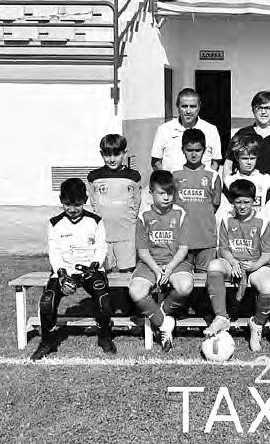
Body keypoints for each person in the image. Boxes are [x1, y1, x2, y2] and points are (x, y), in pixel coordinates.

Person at [32, 178, 113, 360]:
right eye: (68, 204)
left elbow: (101, 247)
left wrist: (94, 266)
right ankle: (47, 341)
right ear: (61, 201)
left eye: (77, 204)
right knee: (47, 301)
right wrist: (61, 274)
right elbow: (54, 251)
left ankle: (105, 336)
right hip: (65, 271)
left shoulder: (95, 221)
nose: (73, 209)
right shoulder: (55, 223)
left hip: (90, 270)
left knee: (103, 298)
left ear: (85, 200)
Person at [205, 180, 270, 351]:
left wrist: (253, 266)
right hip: (233, 263)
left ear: (254, 201)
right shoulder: (226, 218)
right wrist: (234, 262)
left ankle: (257, 324)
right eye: (238, 202)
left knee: (268, 288)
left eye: (246, 202)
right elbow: (223, 248)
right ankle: (221, 317)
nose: (242, 206)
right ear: (232, 202)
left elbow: (267, 254)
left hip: (257, 265)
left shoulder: (263, 220)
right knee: (214, 266)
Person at [229, 91, 270, 270]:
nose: (264, 112)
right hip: (251, 199)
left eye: (268, 108)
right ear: (253, 110)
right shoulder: (243, 134)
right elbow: (228, 164)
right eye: (260, 108)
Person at [128, 170, 193, 352]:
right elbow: (142, 251)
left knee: (185, 286)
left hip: (176, 262)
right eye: (161, 193)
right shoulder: (143, 216)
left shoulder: (180, 213)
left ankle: (161, 311)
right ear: (151, 193)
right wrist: (157, 270)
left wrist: (169, 268)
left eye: (170, 193)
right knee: (135, 291)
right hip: (150, 263)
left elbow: (183, 248)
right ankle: (164, 323)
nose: (166, 197)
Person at [172, 128, 222, 294]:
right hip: (182, 240)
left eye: (198, 150)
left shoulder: (213, 176)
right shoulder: (175, 175)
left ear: (204, 150)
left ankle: (203, 307)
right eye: (189, 150)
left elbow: (215, 204)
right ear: (182, 150)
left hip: (205, 239)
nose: (193, 154)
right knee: (182, 280)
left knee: (205, 283)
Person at [87, 134, 142, 273]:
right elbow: (93, 201)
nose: (112, 159)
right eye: (107, 154)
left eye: (116, 154)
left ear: (125, 153)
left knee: (127, 271)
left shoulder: (134, 176)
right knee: (104, 271)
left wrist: (130, 220)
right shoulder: (94, 177)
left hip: (126, 235)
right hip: (103, 235)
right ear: (101, 154)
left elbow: (136, 201)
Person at [218, 134, 270, 240]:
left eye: (252, 158)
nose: (249, 162)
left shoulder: (266, 180)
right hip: (236, 235)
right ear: (237, 158)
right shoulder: (229, 181)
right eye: (244, 158)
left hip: (258, 234)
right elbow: (225, 212)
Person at [151, 88, 223, 172]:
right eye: (184, 106)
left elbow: (216, 162)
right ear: (178, 107)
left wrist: (208, 178)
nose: (188, 111)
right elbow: (156, 162)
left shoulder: (211, 130)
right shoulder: (164, 130)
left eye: (193, 106)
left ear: (199, 107)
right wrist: (167, 179)